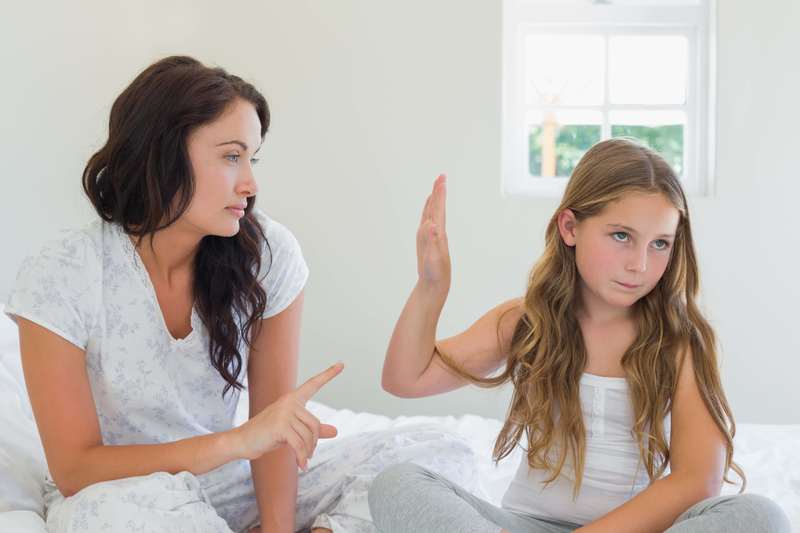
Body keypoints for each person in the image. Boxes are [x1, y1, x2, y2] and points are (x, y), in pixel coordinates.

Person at [4, 56, 473, 533]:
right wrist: (238, 441)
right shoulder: (65, 273)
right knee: (105, 515)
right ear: (162, 154)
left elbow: (275, 431)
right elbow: (75, 468)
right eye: (231, 157)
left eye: (252, 158)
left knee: (437, 454)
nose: (250, 184)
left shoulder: (267, 255)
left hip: (231, 482)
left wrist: (276, 526)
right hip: (123, 491)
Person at [368, 139, 791, 532]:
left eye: (660, 244)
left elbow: (697, 480)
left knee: (760, 516)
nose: (640, 265)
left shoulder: (680, 343)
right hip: (522, 525)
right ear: (570, 228)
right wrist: (432, 287)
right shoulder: (526, 321)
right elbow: (406, 379)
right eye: (622, 236)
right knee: (398, 482)